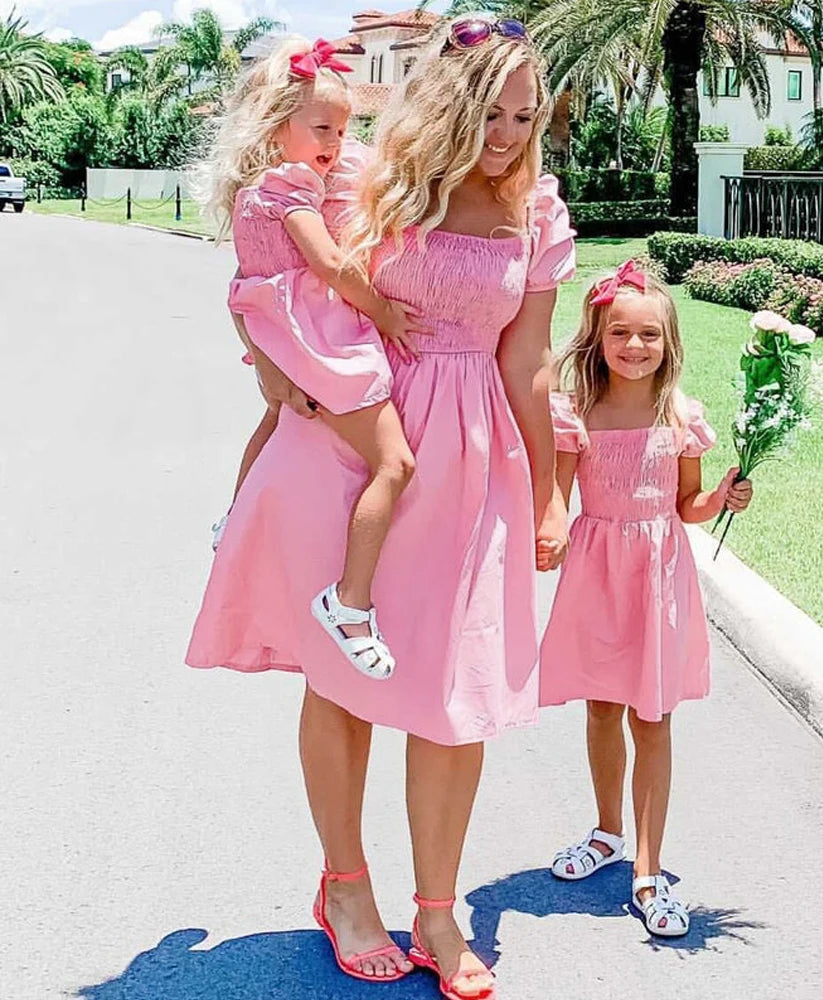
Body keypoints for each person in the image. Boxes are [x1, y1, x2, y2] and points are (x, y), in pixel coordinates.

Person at [186, 15, 574, 997]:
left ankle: (438, 912)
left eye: (526, 115)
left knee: (455, 690)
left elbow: (526, 362)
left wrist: (553, 494)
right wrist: (285, 385)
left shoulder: (538, 213)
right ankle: (346, 886)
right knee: (345, 675)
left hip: (473, 448)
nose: (508, 132)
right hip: (356, 440)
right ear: (446, 98)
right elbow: (267, 276)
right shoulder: (360, 180)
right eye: (492, 110)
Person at [199, 36, 431, 679]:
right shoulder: (293, 185)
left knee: (274, 422)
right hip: (318, 336)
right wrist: (382, 311)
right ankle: (349, 602)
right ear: (279, 130)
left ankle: (235, 519)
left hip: (284, 330)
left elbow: (246, 284)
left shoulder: (268, 184)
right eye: (323, 126)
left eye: (345, 126)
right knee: (394, 461)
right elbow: (326, 260)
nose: (337, 139)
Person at [538, 260, 753, 937]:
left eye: (650, 335)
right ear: (597, 338)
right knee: (603, 706)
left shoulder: (679, 413)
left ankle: (648, 867)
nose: (635, 347)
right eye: (620, 333)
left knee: (652, 716)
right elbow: (558, 499)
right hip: (598, 572)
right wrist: (546, 531)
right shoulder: (576, 412)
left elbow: (688, 505)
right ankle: (605, 833)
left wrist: (720, 497)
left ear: (669, 342)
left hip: (657, 574)